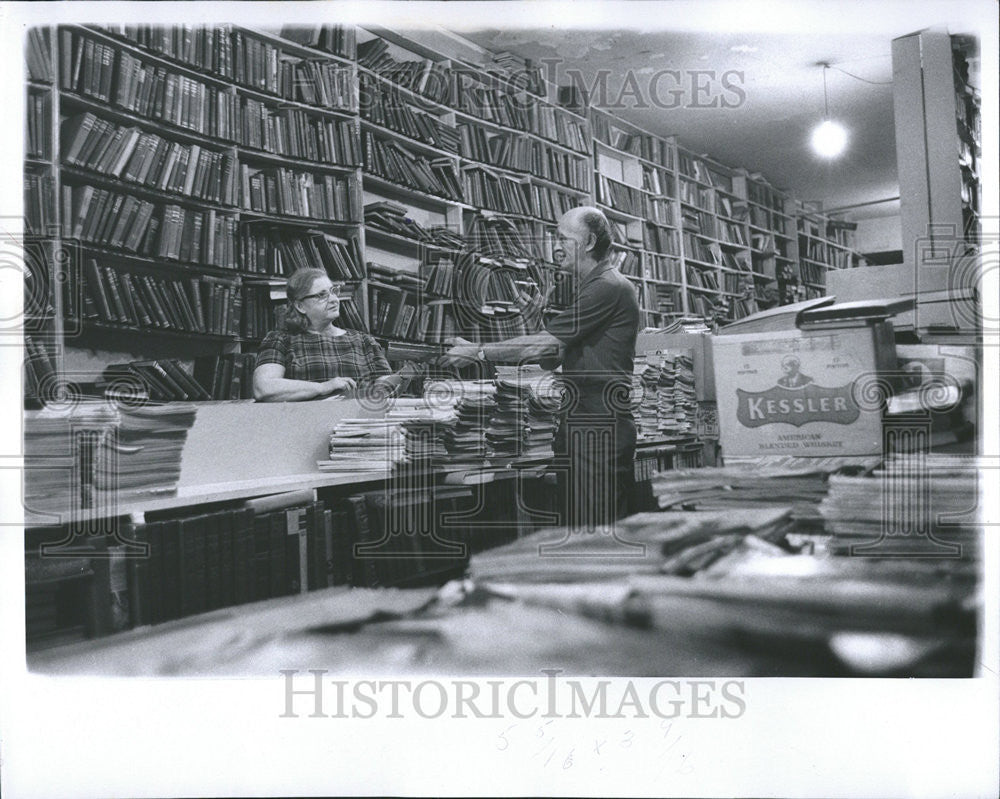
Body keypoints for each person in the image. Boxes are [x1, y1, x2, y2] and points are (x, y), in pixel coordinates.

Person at [442, 206, 640, 529]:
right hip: (582, 422)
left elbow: (544, 346)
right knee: (581, 529)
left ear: (589, 242)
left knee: (596, 534)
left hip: (598, 424)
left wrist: (478, 351)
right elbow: (554, 355)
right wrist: (535, 323)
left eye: (563, 238)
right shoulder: (594, 286)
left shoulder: (607, 286)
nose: (555, 246)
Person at [253, 267, 413, 402]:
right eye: (322, 295)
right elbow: (264, 388)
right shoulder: (280, 339)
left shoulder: (363, 340)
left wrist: (401, 378)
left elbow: (384, 390)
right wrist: (323, 387)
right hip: (304, 427)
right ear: (300, 306)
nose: (334, 299)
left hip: (357, 427)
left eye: (333, 291)